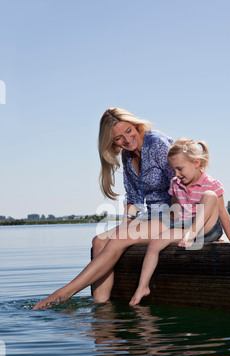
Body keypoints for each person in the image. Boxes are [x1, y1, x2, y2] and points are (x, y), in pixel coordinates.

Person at [33, 107, 177, 310]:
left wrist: (190, 225)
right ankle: (102, 312)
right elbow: (134, 197)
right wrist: (125, 225)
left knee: (119, 238)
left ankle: (64, 293)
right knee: (99, 241)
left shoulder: (157, 143)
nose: (126, 140)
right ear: (111, 142)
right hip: (151, 215)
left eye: (128, 131)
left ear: (135, 125)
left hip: (175, 214)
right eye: (118, 138)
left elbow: (181, 184)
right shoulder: (127, 155)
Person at [129, 138, 230, 306]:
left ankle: (192, 234)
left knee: (209, 196)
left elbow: (222, 211)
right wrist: (166, 229)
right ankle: (143, 287)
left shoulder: (211, 183)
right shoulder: (176, 183)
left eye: (180, 168)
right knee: (155, 243)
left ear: (196, 162)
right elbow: (176, 211)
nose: (177, 173)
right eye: (174, 169)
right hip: (186, 228)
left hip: (207, 227)